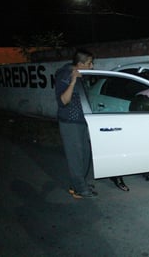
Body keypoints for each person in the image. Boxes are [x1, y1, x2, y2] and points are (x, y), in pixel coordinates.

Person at [55, 49, 129, 198]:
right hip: (70, 122)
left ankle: (77, 183)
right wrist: (74, 81)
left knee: (85, 154)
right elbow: (63, 101)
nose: (92, 66)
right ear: (80, 64)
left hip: (82, 120)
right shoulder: (65, 75)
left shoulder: (83, 75)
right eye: (89, 63)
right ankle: (79, 190)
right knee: (76, 156)